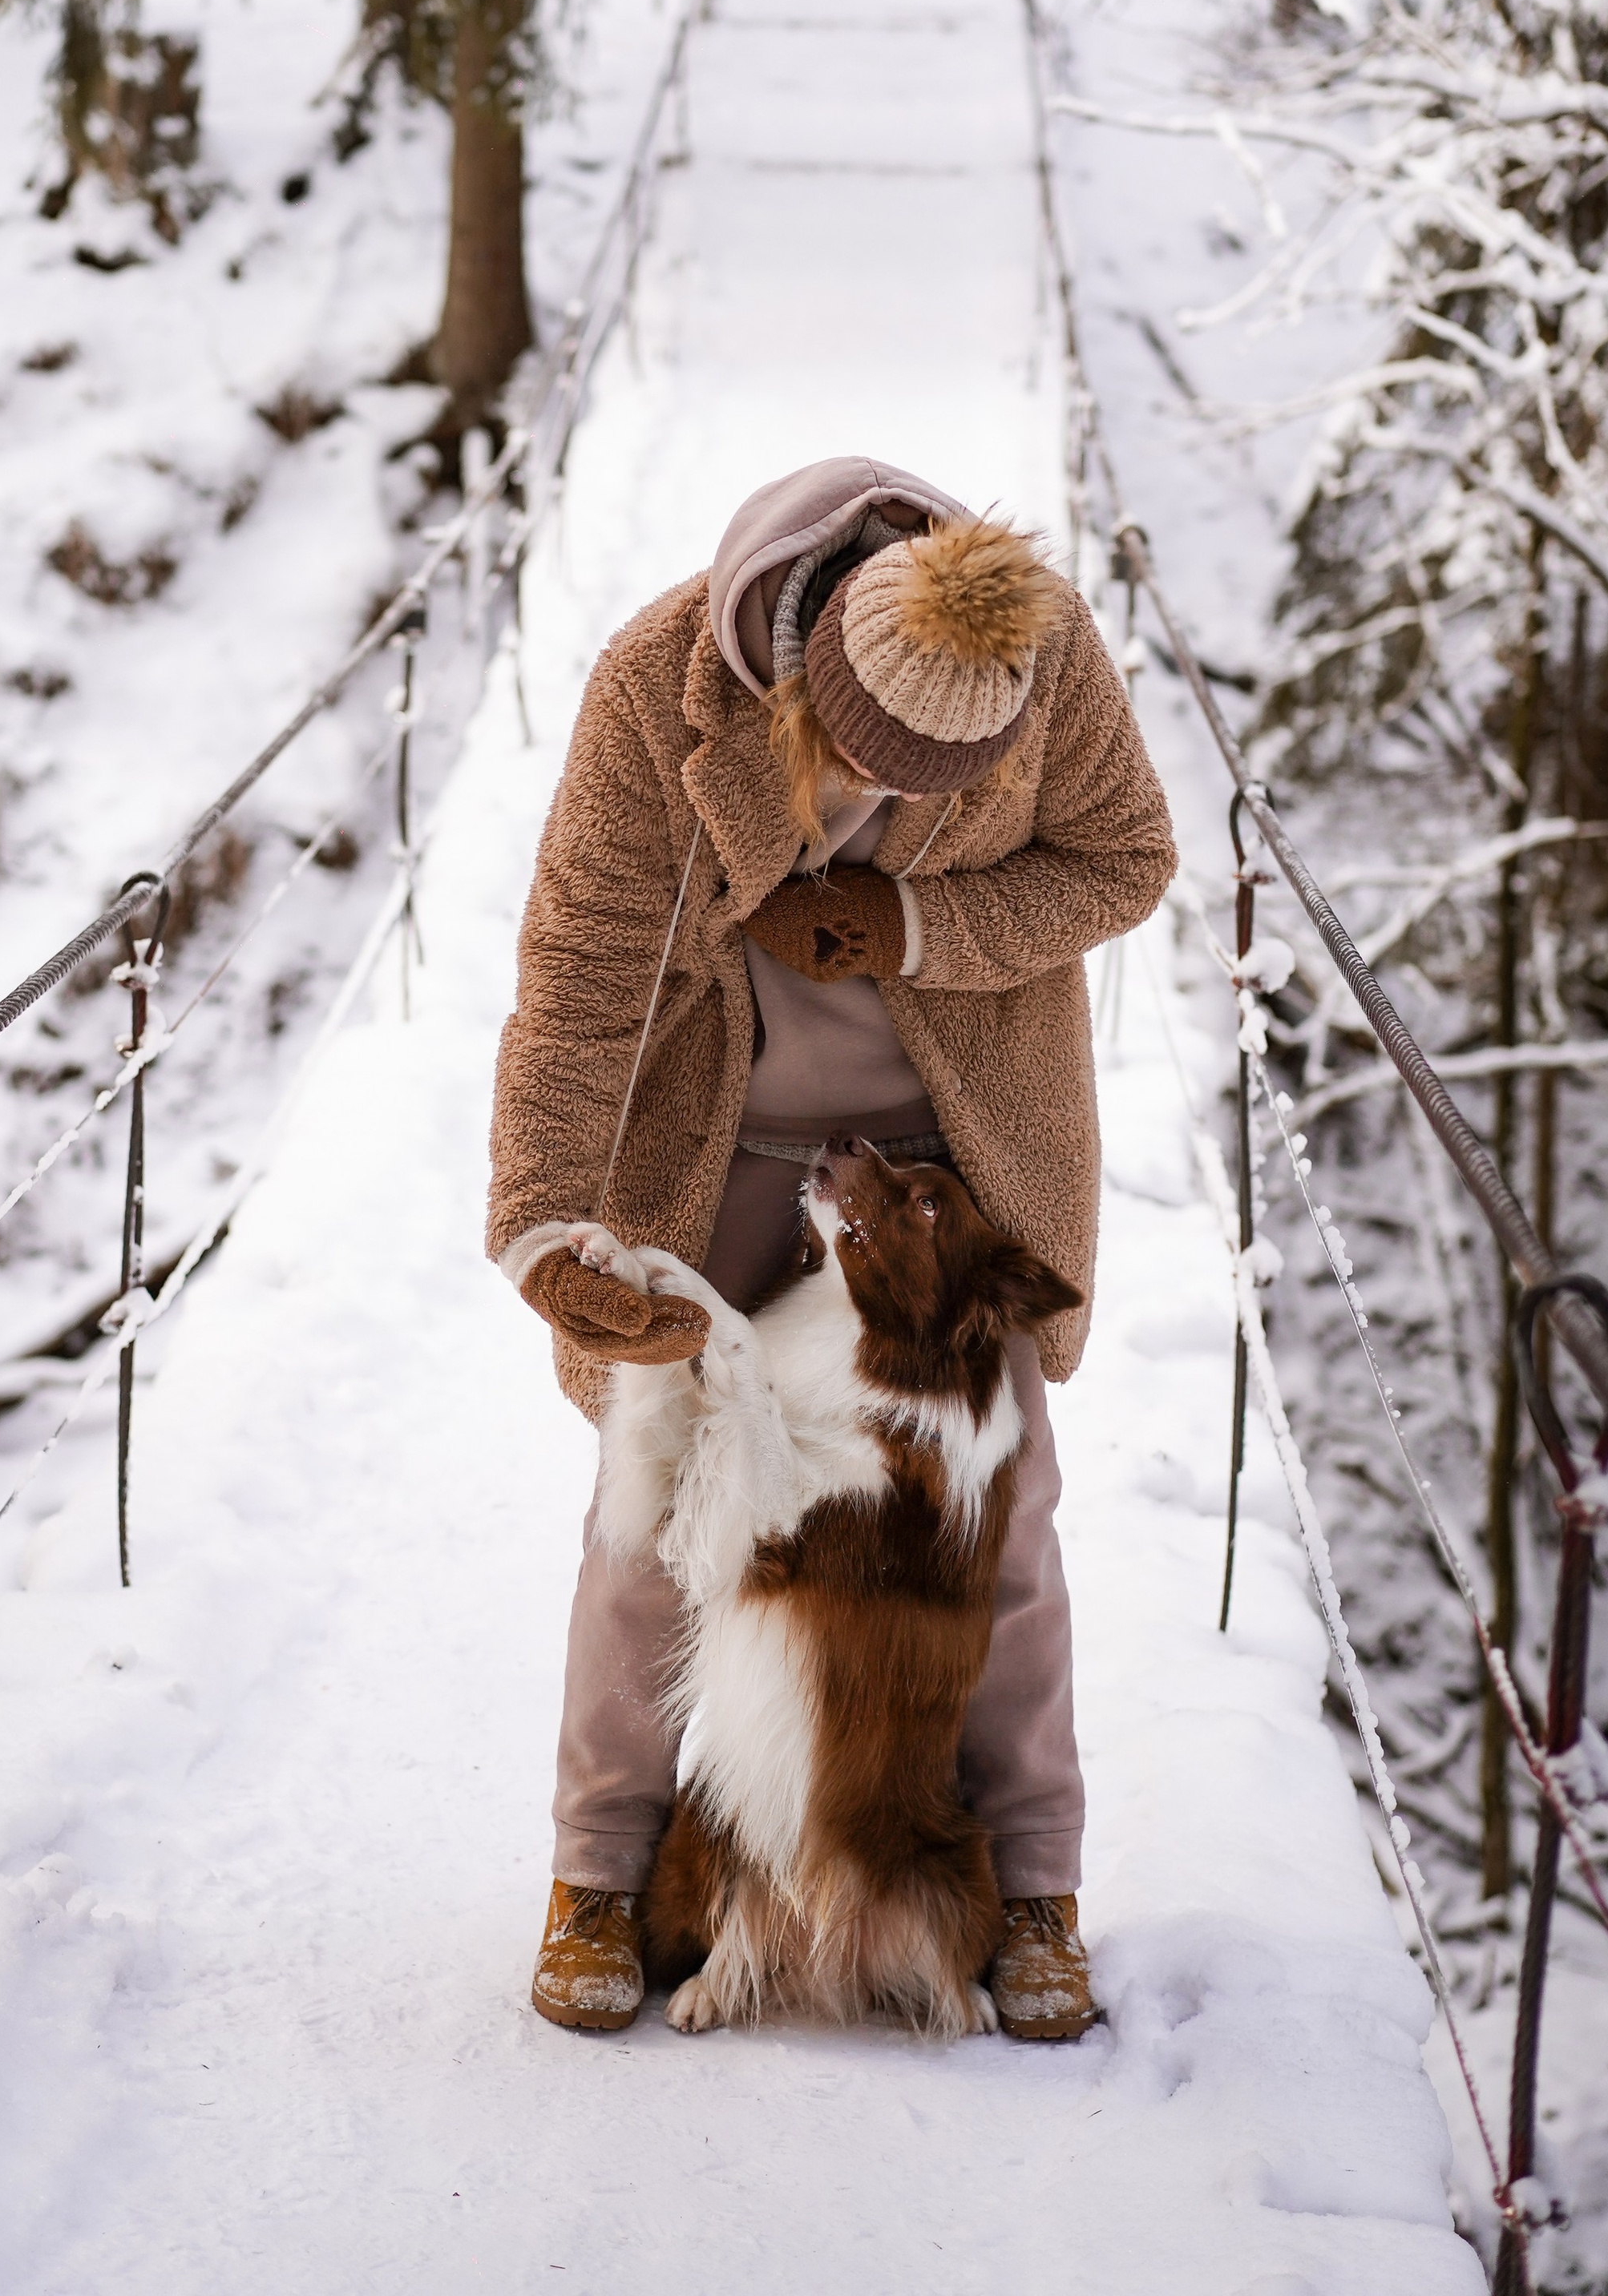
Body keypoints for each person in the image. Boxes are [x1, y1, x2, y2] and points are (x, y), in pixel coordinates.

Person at [487, 455, 1175, 2040]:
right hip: (713, 1139)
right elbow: (579, 978)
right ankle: (598, 1868)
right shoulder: (652, 692)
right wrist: (541, 1221)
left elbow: (1121, 860)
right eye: (886, 780)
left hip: (949, 1151)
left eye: (956, 792)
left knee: (999, 1514)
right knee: (655, 1491)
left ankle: (1030, 1890)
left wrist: (911, 925)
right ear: (801, 692)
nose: (922, 809)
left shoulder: (1045, 654)